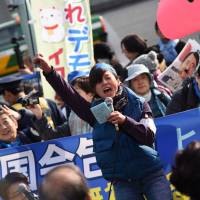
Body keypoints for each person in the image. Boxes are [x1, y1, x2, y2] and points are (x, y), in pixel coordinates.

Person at [34, 55, 172, 200]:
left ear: (118, 80)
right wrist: (49, 71)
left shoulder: (140, 104)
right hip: (123, 182)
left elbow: (148, 135)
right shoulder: (94, 113)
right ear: (94, 90)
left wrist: (125, 121)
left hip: (151, 174)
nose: (104, 83)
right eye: (98, 82)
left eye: (107, 78)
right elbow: (69, 95)